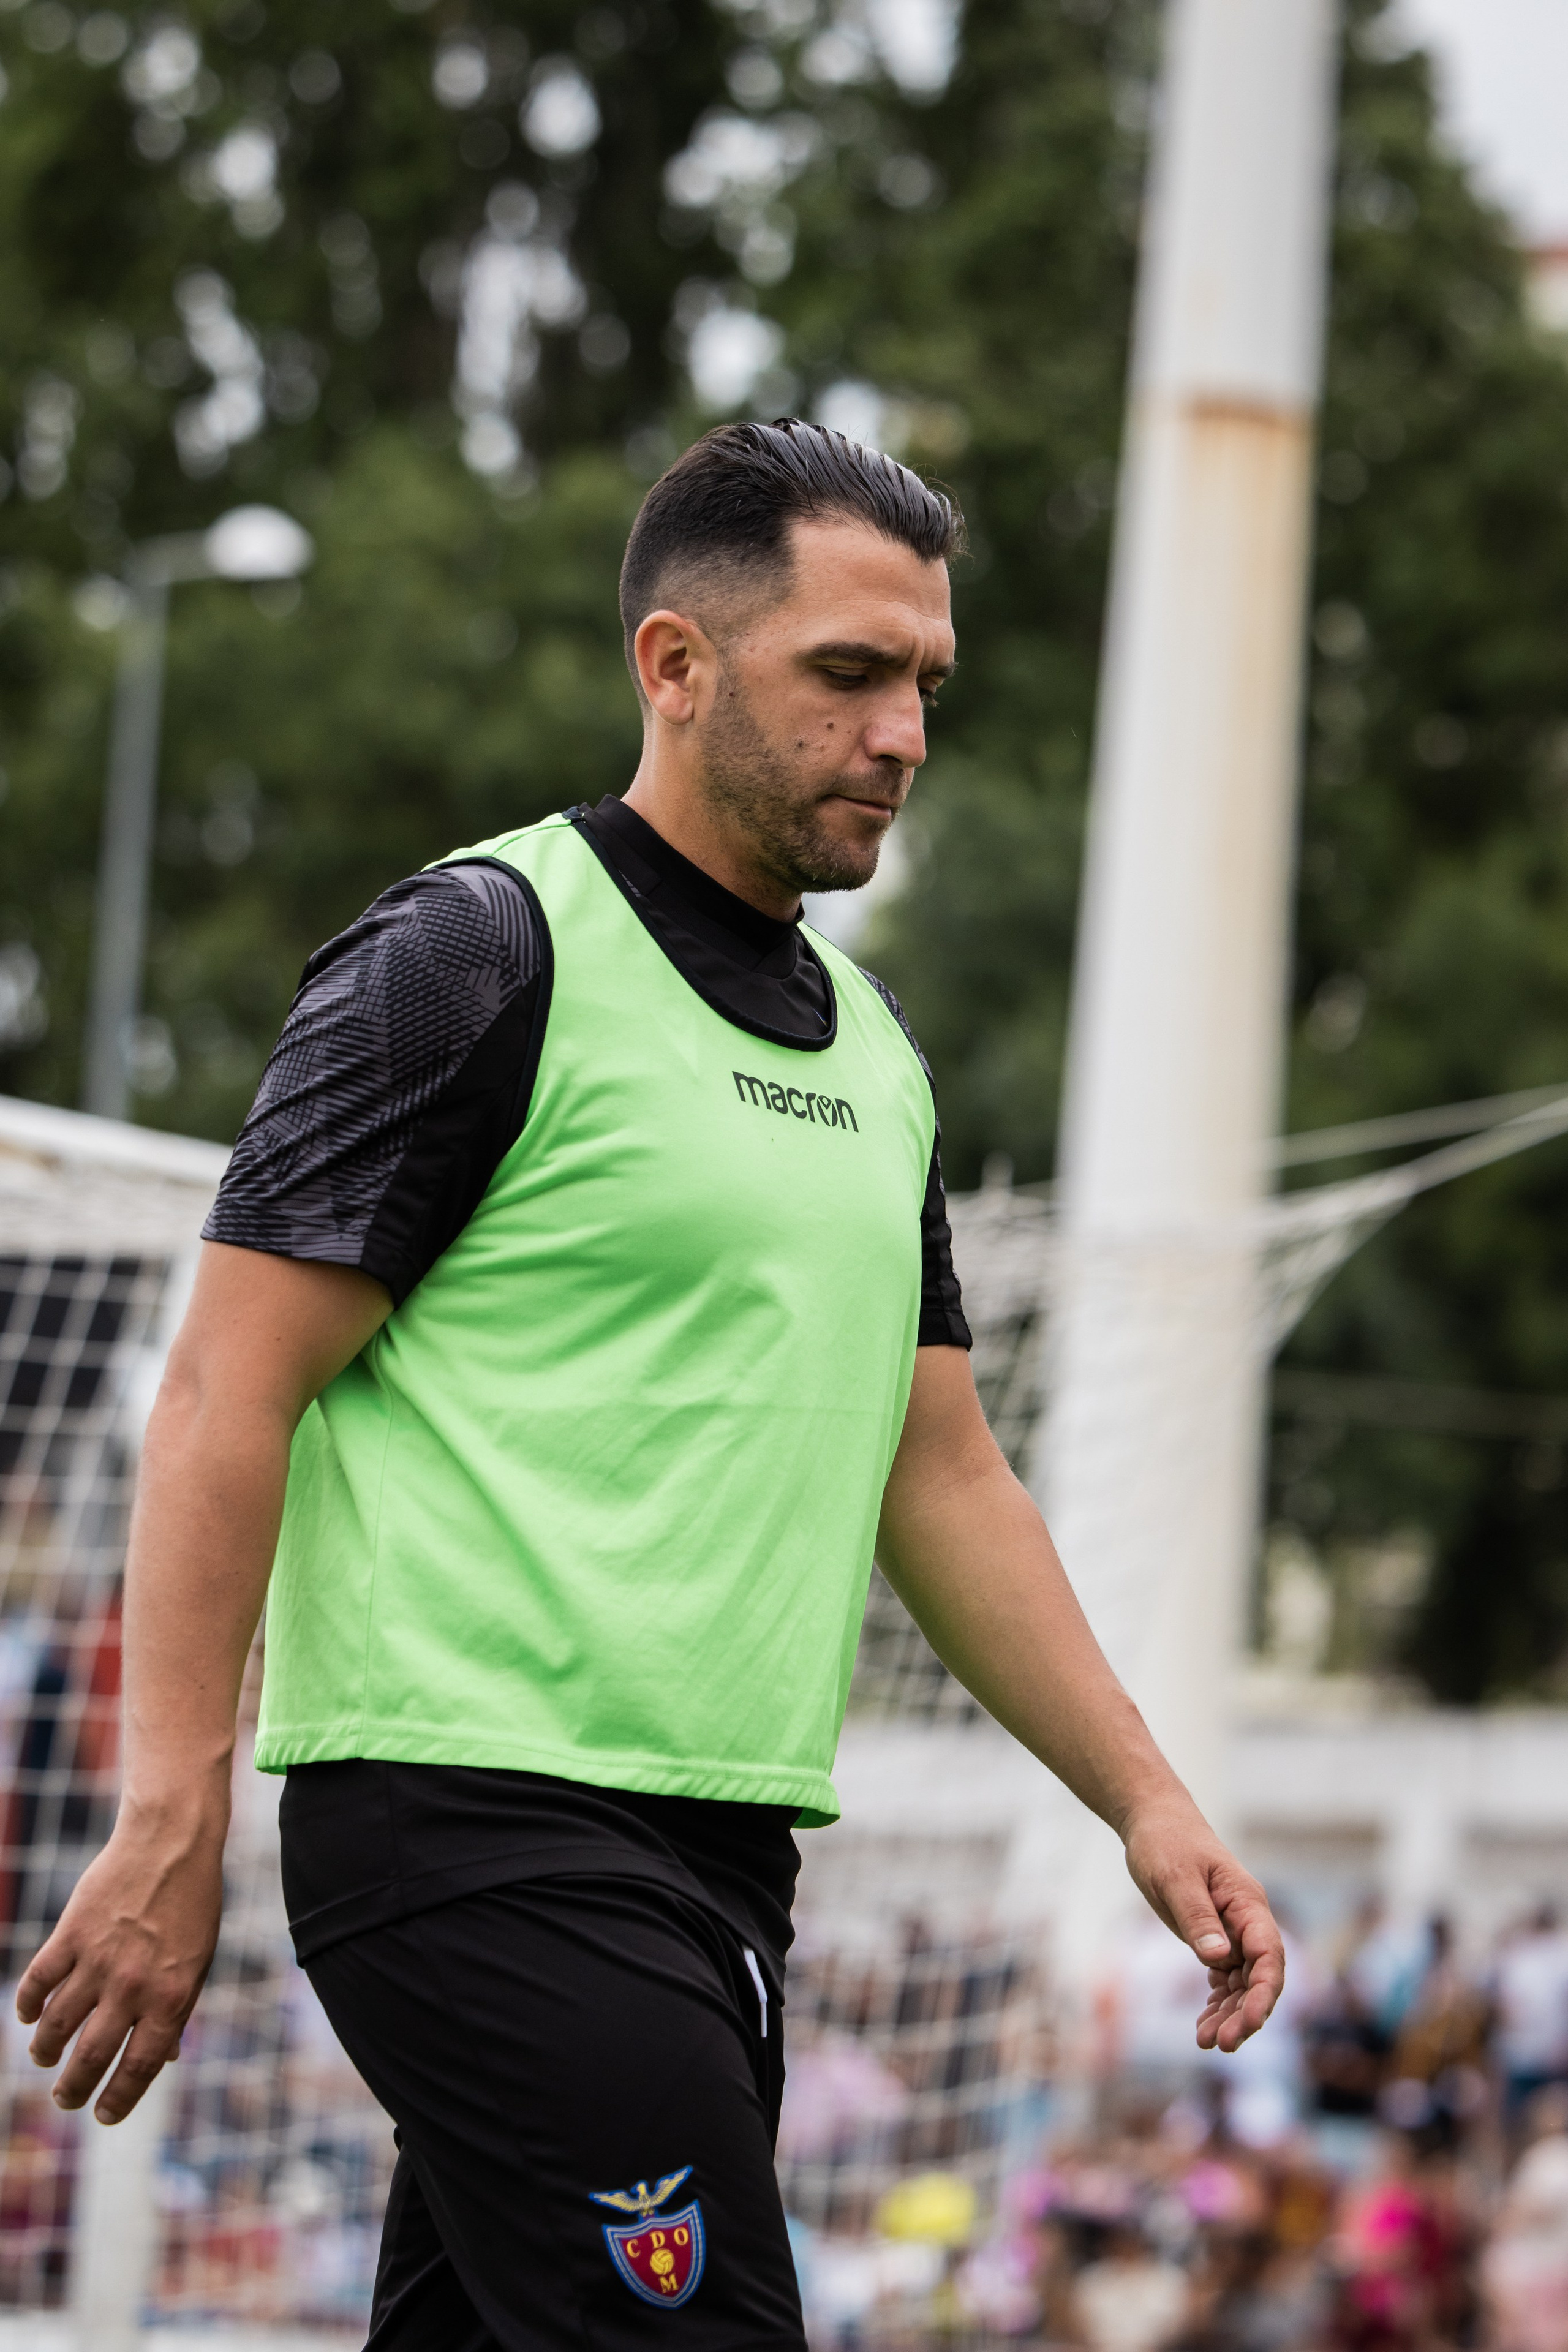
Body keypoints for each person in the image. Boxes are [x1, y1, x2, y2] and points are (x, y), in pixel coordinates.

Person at [14, 421, 1284, 2351]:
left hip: (718, 1864)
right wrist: (170, 1802)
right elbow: (221, 1396)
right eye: (847, 674)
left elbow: (939, 1475)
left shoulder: (879, 1058)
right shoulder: (475, 953)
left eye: (925, 682)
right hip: (473, 1830)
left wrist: (1145, 1797)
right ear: (675, 669)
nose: (903, 734)